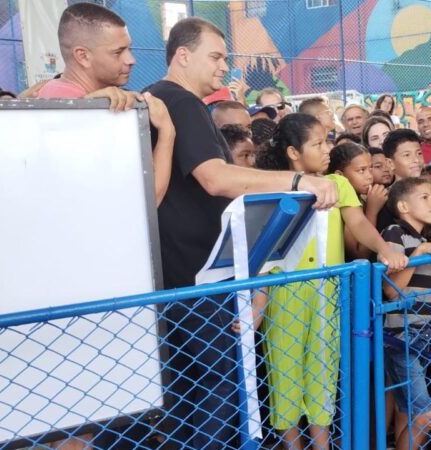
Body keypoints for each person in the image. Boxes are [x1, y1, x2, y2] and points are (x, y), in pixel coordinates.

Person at [146, 17, 337, 449]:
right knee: (217, 396)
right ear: (182, 55)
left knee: (191, 400)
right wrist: (295, 182)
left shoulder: (160, 99)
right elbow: (215, 177)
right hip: (201, 281)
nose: (224, 67)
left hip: (179, 277)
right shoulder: (181, 100)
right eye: (215, 56)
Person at [249, 113, 406, 449]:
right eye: (317, 143)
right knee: (285, 378)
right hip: (283, 300)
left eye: (327, 141)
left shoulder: (339, 184)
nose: (327, 149)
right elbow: (262, 249)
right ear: (293, 152)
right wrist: (258, 303)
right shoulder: (271, 183)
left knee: (323, 378)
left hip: (328, 298)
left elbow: (359, 223)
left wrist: (382, 249)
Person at [37, 2, 175, 207]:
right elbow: (146, 201)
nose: (131, 59)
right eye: (118, 52)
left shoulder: (61, 95)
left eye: (129, 49)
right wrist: (167, 131)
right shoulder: (73, 105)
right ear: (82, 56)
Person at [381, 177, 431, 450]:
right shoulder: (394, 233)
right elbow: (392, 290)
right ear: (403, 206)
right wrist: (422, 252)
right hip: (402, 337)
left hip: (421, 335)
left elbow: (429, 299)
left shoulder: (423, 239)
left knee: (410, 412)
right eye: (424, 197)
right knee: (424, 417)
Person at [326, 141, 389, 259]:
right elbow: (359, 253)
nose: (369, 176)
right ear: (340, 175)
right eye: (361, 170)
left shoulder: (364, 197)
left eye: (370, 168)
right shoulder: (341, 204)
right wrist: (372, 210)